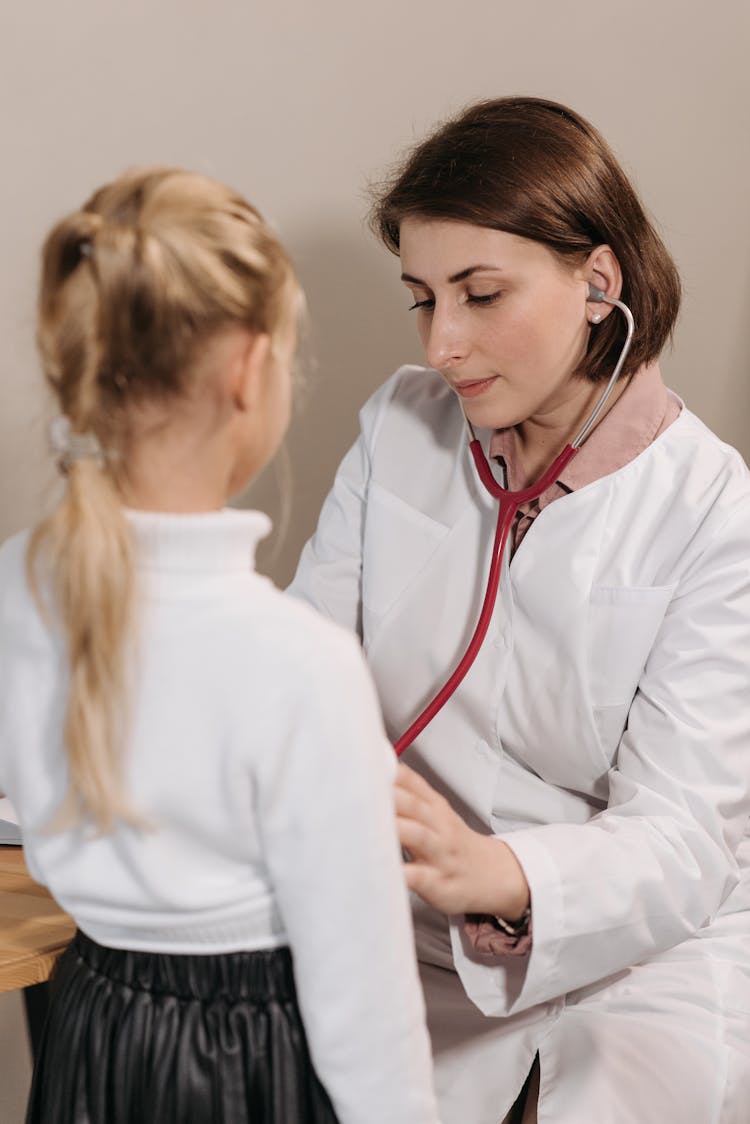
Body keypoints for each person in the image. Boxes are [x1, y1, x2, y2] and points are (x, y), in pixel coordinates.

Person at [289, 97, 750, 1124]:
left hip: (634, 949)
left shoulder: (713, 512)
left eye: (481, 293)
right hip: (405, 919)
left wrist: (495, 871)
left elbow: (682, 838)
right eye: (422, 298)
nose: (444, 344)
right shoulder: (402, 425)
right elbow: (300, 664)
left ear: (598, 282)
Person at [0, 168, 441, 1124]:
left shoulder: (18, 585)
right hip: (248, 1061)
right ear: (250, 369)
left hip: (88, 1025)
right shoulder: (301, 664)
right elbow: (364, 1006)